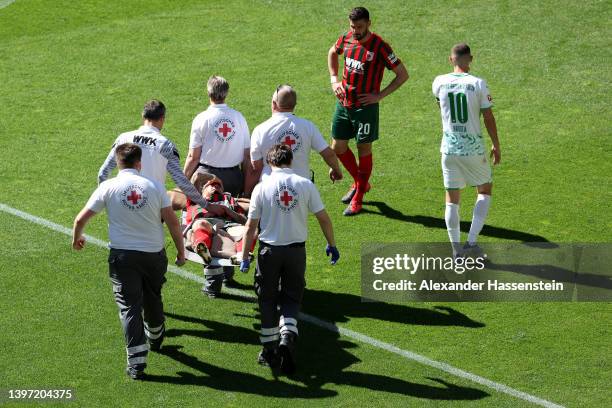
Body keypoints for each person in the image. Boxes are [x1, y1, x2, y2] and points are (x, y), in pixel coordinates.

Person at [72, 143, 186, 380]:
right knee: (153, 296)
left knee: (129, 307)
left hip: (123, 257)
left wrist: (77, 238)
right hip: (154, 255)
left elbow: (80, 218)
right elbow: (173, 223)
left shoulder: (108, 186)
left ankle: (137, 363)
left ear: (118, 162)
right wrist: (181, 251)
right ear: (139, 163)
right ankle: (155, 336)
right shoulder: (155, 186)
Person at [240, 144, 340, 374]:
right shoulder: (305, 185)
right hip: (296, 252)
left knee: (267, 299)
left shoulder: (262, 188)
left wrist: (245, 256)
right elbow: (324, 218)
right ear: (291, 161)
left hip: (269, 252)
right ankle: (287, 335)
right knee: (292, 298)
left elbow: (250, 227)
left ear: (270, 162)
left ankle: (269, 350)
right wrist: (331, 245)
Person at [328, 6, 409, 215]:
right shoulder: (346, 39)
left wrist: (379, 95)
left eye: (359, 27)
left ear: (369, 24)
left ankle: (359, 198)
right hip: (344, 103)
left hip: (366, 108)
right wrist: (334, 80)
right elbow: (332, 53)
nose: (355, 30)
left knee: (364, 149)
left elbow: (402, 74)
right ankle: (360, 182)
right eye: (353, 26)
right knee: (337, 147)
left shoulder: (380, 46)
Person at [431, 43, 501, 256]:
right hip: (472, 149)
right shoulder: (478, 83)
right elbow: (488, 116)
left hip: (449, 149)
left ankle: (456, 251)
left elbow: (441, 107)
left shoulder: (439, 82)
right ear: (470, 58)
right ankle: (471, 243)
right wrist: (496, 144)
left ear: (450, 59)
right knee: (485, 189)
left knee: (452, 199)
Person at [98, 99, 224, 216]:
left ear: (143, 116)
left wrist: (107, 202)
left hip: (123, 204)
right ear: (162, 118)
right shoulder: (166, 146)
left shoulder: (123, 139)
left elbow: (103, 173)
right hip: (150, 208)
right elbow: (181, 181)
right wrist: (206, 205)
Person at [169, 170, 252, 298]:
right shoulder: (195, 199)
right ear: (203, 190)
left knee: (244, 231)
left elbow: (244, 221)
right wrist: (212, 177)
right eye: (211, 185)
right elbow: (196, 177)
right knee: (201, 225)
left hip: (228, 228)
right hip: (204, 224)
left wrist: (229, 212)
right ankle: (203, 250)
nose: (215, 187)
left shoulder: (230, 201)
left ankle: (242, 255)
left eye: (218, 185)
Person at [248, 84, 343, 194]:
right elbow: (328, 154)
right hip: (301, 187)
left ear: (274, 104)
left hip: (269, 188)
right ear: (294, 105)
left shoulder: (260, 130)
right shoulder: (308, 126)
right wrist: (337, 171)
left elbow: (256, 165)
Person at [183, 76, 251, 197]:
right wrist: (246, 188)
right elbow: (246, 157)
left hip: (205, 179)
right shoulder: (239, 118)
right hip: (233, 179)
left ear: (208, 92)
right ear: (227, 93)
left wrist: (181, 183)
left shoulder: (201, 119)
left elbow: (193, 157)